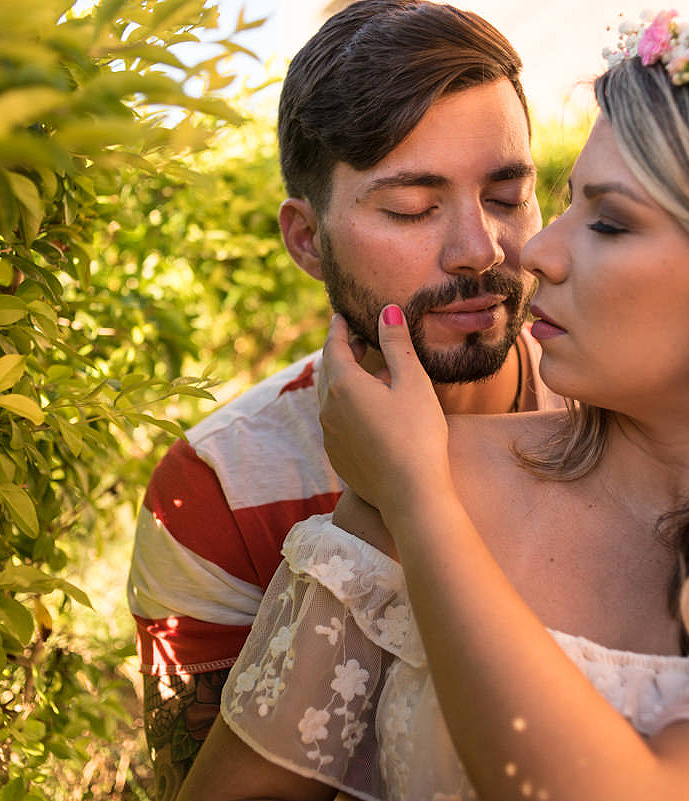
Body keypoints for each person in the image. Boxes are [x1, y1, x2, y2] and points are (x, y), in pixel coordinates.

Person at [178, 13, 689, 801]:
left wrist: (421, 504)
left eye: (609, 222)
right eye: (413, 206)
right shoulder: (432, 471)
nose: (533, 252)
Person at [126, 1, 564, 795]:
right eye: (412, 208)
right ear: (306, 239)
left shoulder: (625, 418)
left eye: (506, 196)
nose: (479, 249)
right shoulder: (221, 492)